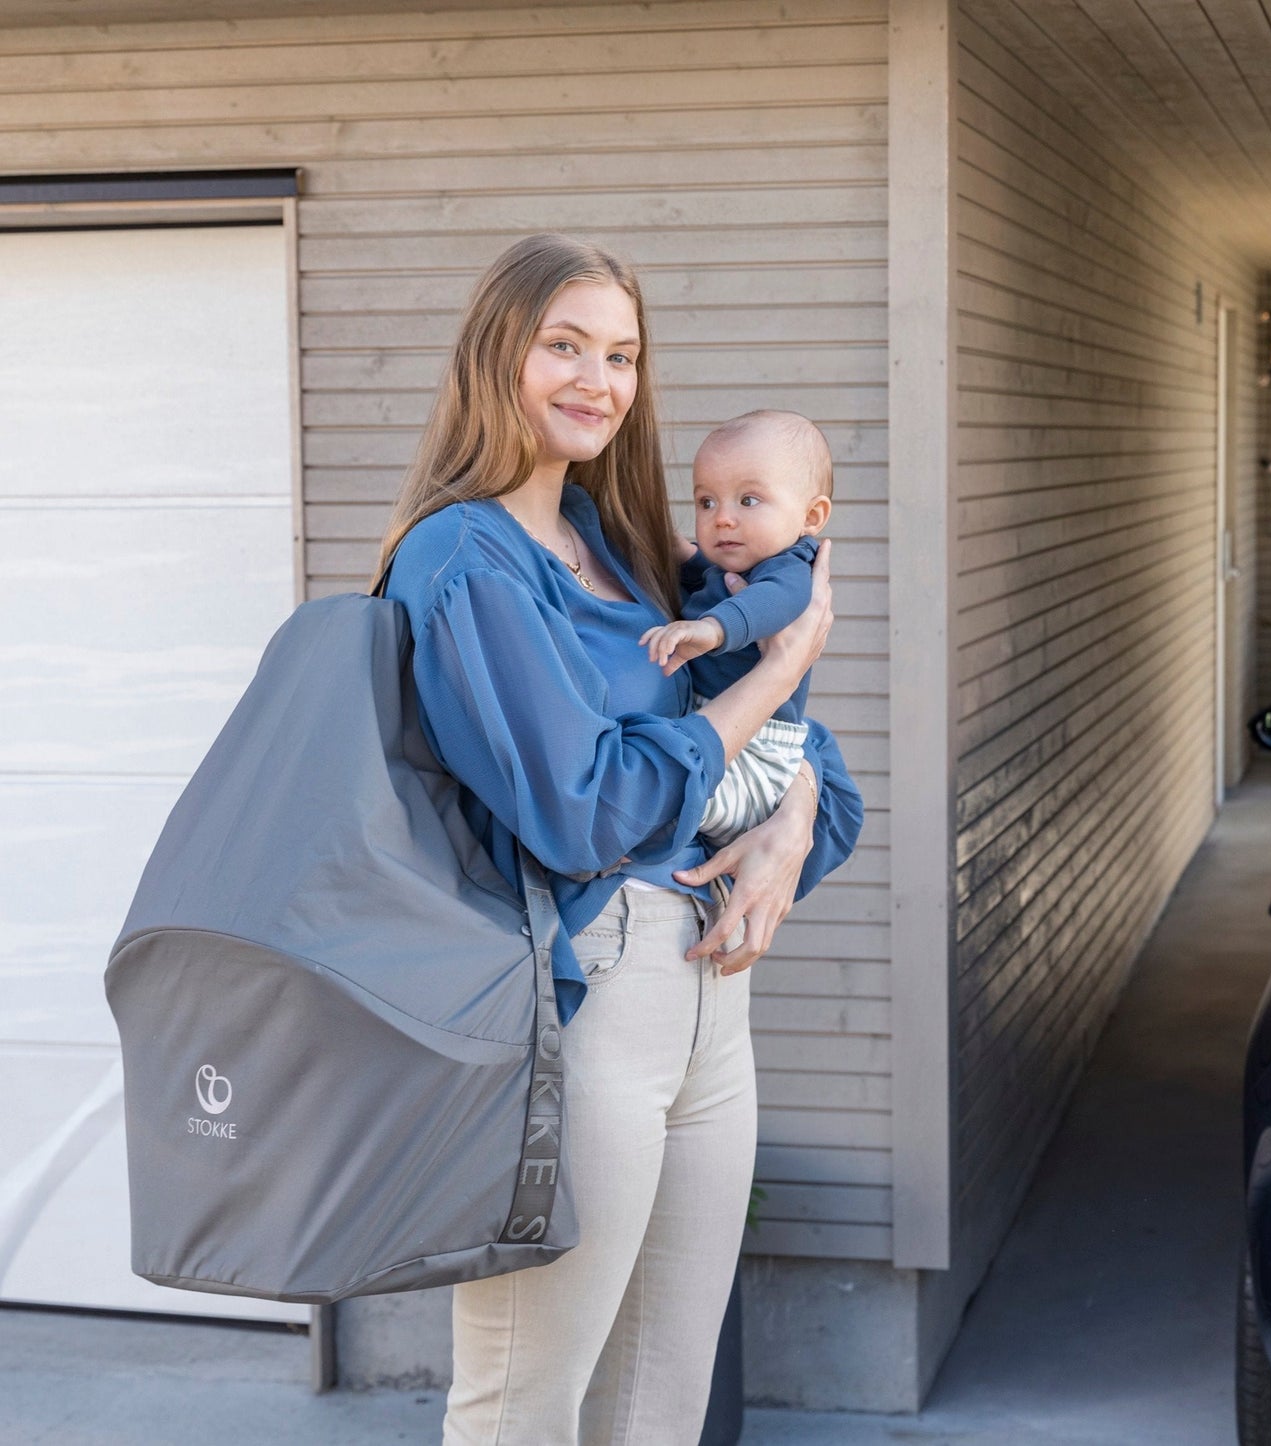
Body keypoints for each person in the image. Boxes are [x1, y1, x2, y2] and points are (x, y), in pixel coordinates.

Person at [370, 233, 863, 1446]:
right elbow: (586, 810)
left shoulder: (633, 549)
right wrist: (785, 666)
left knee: (660, 1405)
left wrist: (788, 825)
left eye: (622, 354)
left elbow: (815, 776)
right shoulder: (465, 558)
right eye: (565, 345)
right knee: (525, 1408)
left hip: (712, 1017)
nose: (598, 379)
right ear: (500, 354)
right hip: (583, 1008)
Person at [641, 409, 833, 846]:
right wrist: (670, 548)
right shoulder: (736, 564)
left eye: (748, 500)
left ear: (811, 516)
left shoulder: (789, 568)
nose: (722, 518)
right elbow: (701, 573)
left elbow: (772, 603)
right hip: (723, 729)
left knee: (664, 798)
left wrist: (712, 629)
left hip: (759, 751)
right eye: (707, 502)